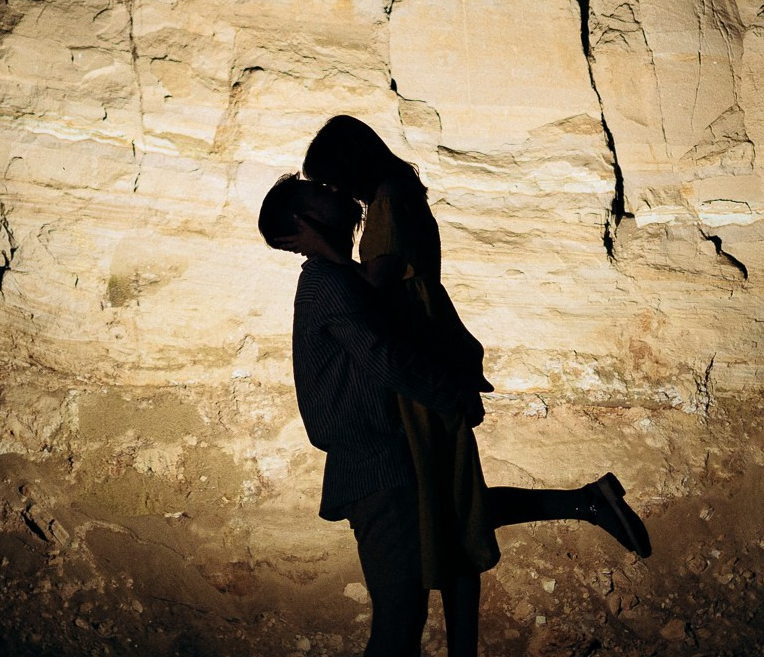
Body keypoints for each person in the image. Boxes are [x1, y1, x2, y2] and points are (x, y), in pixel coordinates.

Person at [261, 155, 649, 657]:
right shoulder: (325, 283)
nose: (336, 194)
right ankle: (585, 502)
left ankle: (586, 501)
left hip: (389, 456)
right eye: (318, 194)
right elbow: (386, 357)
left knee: (453, 529)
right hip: (373, 464)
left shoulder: (345, 276)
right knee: (400, 620)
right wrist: (453, 395)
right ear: (299, 225)